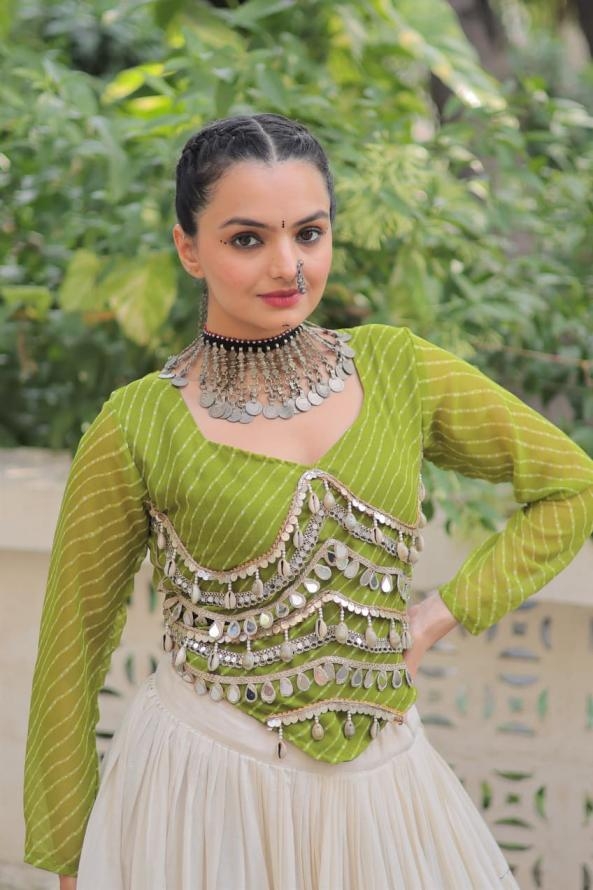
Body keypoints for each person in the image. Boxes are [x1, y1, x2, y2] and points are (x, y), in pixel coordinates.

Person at [24, 113, 593, 890]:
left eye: (309, 233)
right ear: (188, 249)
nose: (287, 265)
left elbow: (570, 486)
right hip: (202, 793)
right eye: (246, 239)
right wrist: (69, 859)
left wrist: (436, 617)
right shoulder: (137, 425)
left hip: (381, 794)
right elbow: (72, 650)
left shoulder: (398, 369)